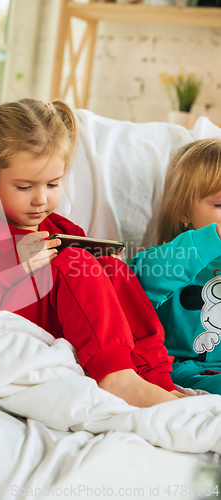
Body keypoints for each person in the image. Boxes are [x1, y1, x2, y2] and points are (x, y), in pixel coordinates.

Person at [0, 95, 183, 407]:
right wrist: (13, 261)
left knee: (112, 268)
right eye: (25, 187)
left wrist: (102, 274)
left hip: (71, 323)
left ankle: (155, 379)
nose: (40, 199)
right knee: (76, 261)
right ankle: (116, 376)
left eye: (53, 185)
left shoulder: (62, 228)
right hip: (13, 317)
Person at [130, 137, 221, 395]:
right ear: (184, 212)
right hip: (186, 372)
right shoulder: (167, 258)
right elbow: (140, 283)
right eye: (220, 204)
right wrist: (211, 238)